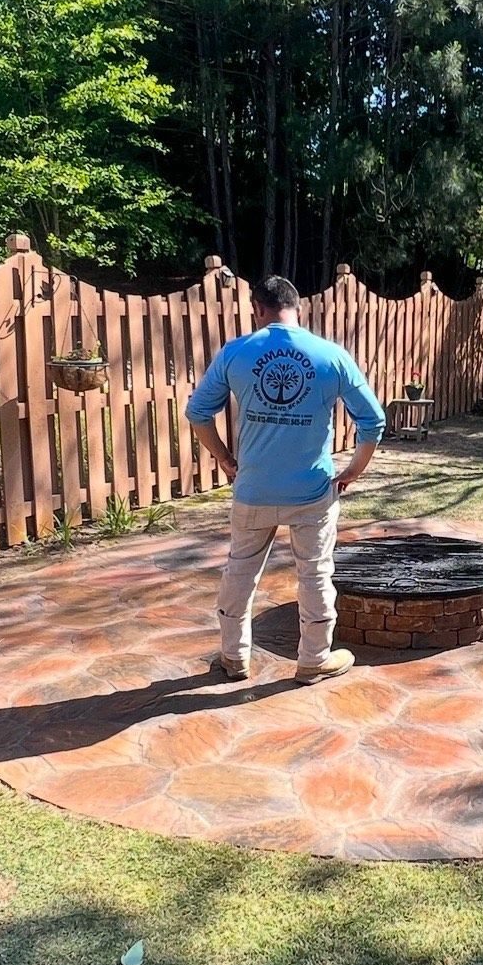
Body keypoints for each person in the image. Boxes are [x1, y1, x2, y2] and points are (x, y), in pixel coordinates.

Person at [185, 274, 385, 685]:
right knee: (314, 573)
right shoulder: (330, 355)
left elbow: (198, 413)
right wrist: (352, 471)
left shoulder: (236, 352)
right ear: (298, 308)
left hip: (253, 488)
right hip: (312, 491)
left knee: (240, 570)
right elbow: (373, 420)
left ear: (257, 309)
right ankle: (313, 659)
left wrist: (225, 459)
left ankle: (234, 657)